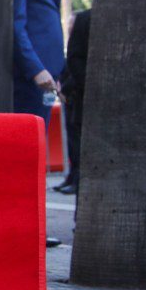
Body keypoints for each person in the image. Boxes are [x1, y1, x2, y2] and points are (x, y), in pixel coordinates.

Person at [56, 10, 90, 195]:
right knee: (75, 145)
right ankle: (74, 178)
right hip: (78, 97)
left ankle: (75, 178)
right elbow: (73, 61)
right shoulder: (84, 21)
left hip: (77, 94)